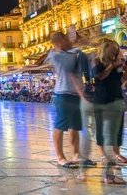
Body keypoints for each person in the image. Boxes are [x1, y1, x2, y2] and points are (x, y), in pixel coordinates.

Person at [38, 32, 95, 169]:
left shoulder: (73, 52)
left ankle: (76, 156)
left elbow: (91, 50)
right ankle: (60, 158)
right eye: (64, 39)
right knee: (60, 125)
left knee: (75, 126)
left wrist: (84, 42)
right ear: (58, 42)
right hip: (63, 94)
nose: (68, 40)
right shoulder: (55, 55)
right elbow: (56, 55)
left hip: (76, 94)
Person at [91, 40, 127, 184]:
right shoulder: (97, 62)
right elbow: (98, 77)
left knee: (116, 134)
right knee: (106, 135)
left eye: (117, 49)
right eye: (114, 49)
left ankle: (111, 167)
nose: (116, 52)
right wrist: (111, 67)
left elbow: (121, 83)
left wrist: (126, 71)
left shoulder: (117, 63)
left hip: (117, 100)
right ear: (106, 50)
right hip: (102, 101)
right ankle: (108, 172)